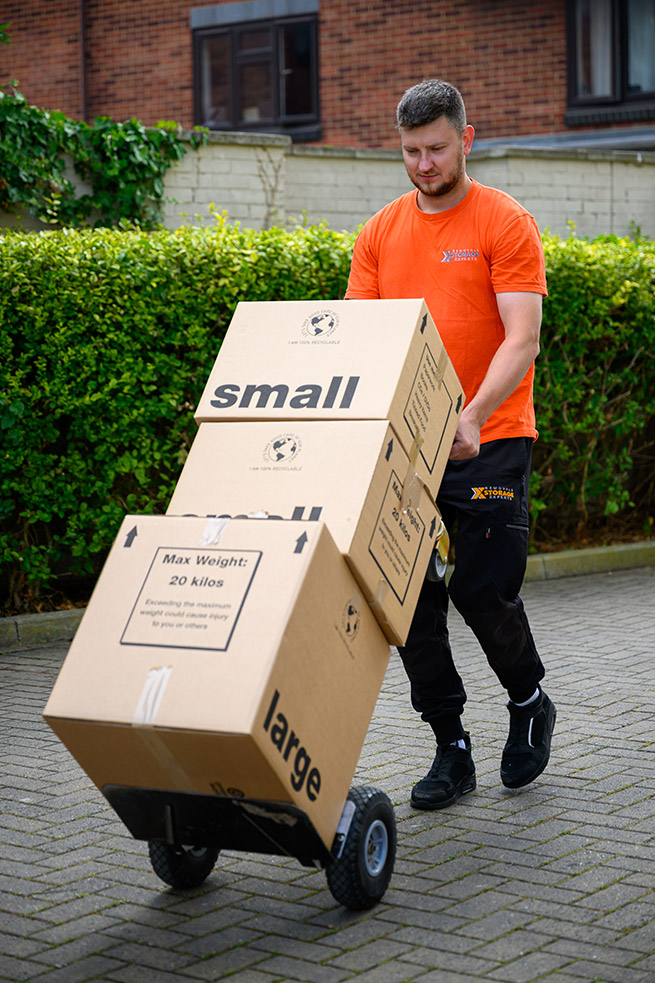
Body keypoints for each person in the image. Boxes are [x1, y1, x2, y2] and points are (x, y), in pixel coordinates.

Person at [346, 79, 556, 810]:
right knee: (407, 599)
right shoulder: (378, 231)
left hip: (489, 434)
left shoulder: (503, 220)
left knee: (477, 586)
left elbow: (521, 337)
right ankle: (450, 745)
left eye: (436, 148)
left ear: (464, 138)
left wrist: (470, 414)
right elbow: (362, 339)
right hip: (408, 444)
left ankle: (528, 698)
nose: (424, 163)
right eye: (410, 151)